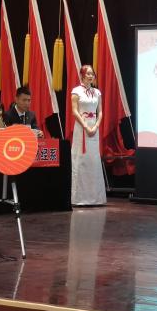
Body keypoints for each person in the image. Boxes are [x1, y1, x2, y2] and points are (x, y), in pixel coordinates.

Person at [70, 64, 106, 206]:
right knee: (81, 159)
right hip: (81, 127)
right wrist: (85, 126)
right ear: (82, 75)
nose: (91, 76)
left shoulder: (97, 92)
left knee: (93, 159)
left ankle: (96, 198)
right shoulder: (76, 91)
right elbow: (74, 111)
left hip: (94, 128)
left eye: (92, 74)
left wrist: (96, 126)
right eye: (88, 73)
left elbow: (100, 112)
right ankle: (79, 198)